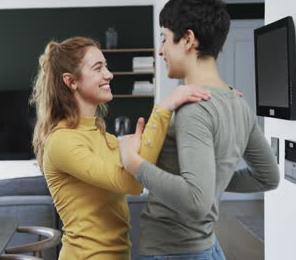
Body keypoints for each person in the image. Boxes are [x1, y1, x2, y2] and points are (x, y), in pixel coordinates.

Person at [118, 0, 280, 259]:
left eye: (164, 38)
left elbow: (196, 200)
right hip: (207, 248)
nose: (161, 51)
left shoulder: (194, 108)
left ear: (188, 39)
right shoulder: (238, 104)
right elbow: (268, 176)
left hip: (174, 252)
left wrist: (133, 163)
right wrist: (211, 183)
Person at [30, 36, 211, 259]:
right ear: (71, 81)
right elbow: (131, 182)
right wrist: (163, 106)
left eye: (106, 66)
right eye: (98, 68)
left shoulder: (100, 134)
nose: (109, 74)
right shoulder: (62, 141)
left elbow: (141, 164)